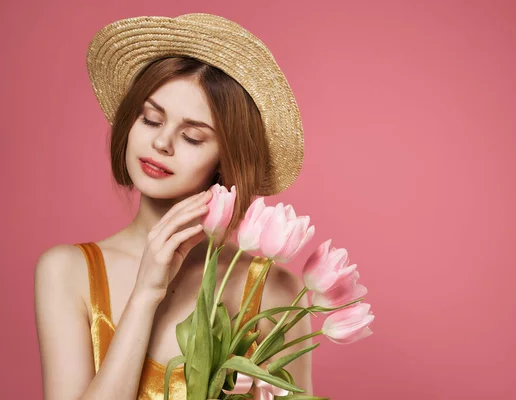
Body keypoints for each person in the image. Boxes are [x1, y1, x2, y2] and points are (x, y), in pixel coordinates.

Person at [34, 13, 312, 400]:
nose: (162, 143)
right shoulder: (66, 272)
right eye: (150, 119)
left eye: (193, 137)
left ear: (224, 160)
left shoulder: (272, 289)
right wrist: (146, 293)